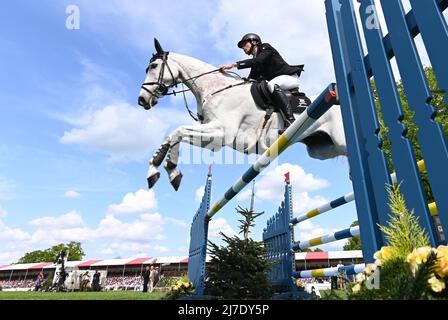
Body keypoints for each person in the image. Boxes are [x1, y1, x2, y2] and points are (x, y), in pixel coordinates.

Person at [220, 33, 303, 130]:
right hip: (280, 80)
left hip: (290, 77)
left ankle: (291, 120)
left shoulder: (265, 47)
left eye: (244, 44)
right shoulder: (255, 60)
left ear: (254, 42)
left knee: (272, 85)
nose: (243, 48)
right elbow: (251, 79)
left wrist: (234, 65)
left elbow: (258, 61)